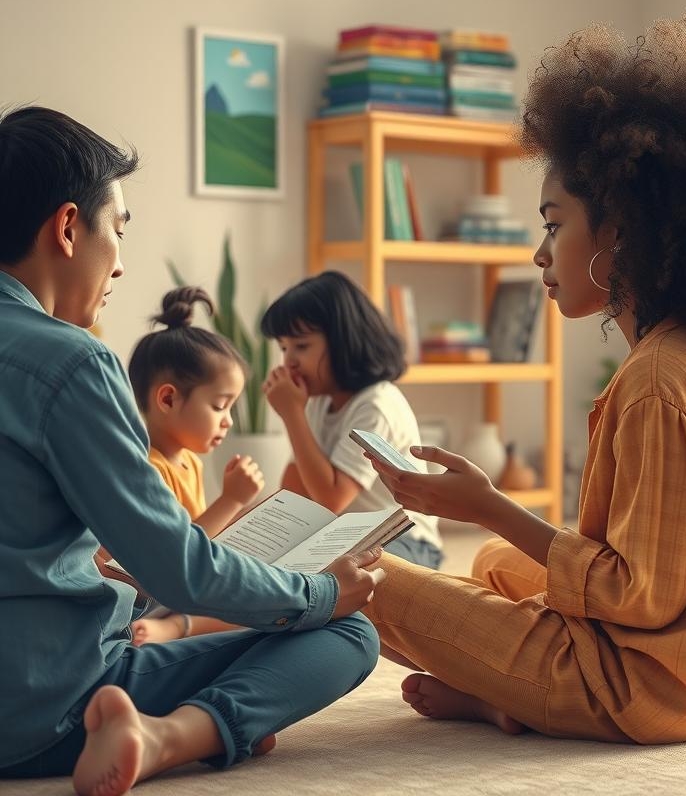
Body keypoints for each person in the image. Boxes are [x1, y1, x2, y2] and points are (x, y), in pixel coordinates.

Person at [359, 17, 686, 742]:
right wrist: (496, 525)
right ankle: (498, 697)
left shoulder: (660, 383)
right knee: (493, 565)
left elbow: (634, 595)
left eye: (554, 224)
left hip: (642, 691)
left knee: (361, 575)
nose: (540, 253)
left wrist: (487, 505)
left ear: (620, 233)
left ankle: (510, 694)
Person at [0, 105, 384, 794]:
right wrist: (323, 592)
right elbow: (179, 567)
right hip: (43, 708)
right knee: (349, 634)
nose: (119, 263)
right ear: (66, 227)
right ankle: (168, 737)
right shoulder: (70, 363)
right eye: (116, 231)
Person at [260, 270, 441, 568]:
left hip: (403, 541)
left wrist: (292, 415)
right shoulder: (317, 403)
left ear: (344, 341)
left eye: (301, 346)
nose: (288, 361)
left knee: (329, 578)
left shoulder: (375, 404)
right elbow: (295, 494)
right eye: (283, 348)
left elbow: (331, 498)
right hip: (346, 539)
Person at [121, 286, 265, 646]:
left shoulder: (188, 461)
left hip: (181, 588)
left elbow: (202, 535)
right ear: (168, 398)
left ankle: (179, 626)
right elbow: (178, 554)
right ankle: (172, 628)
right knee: (262, 606)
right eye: (219, 406)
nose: (228, 420)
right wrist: (230, 500)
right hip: (149, 598)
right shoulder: (148, 467)